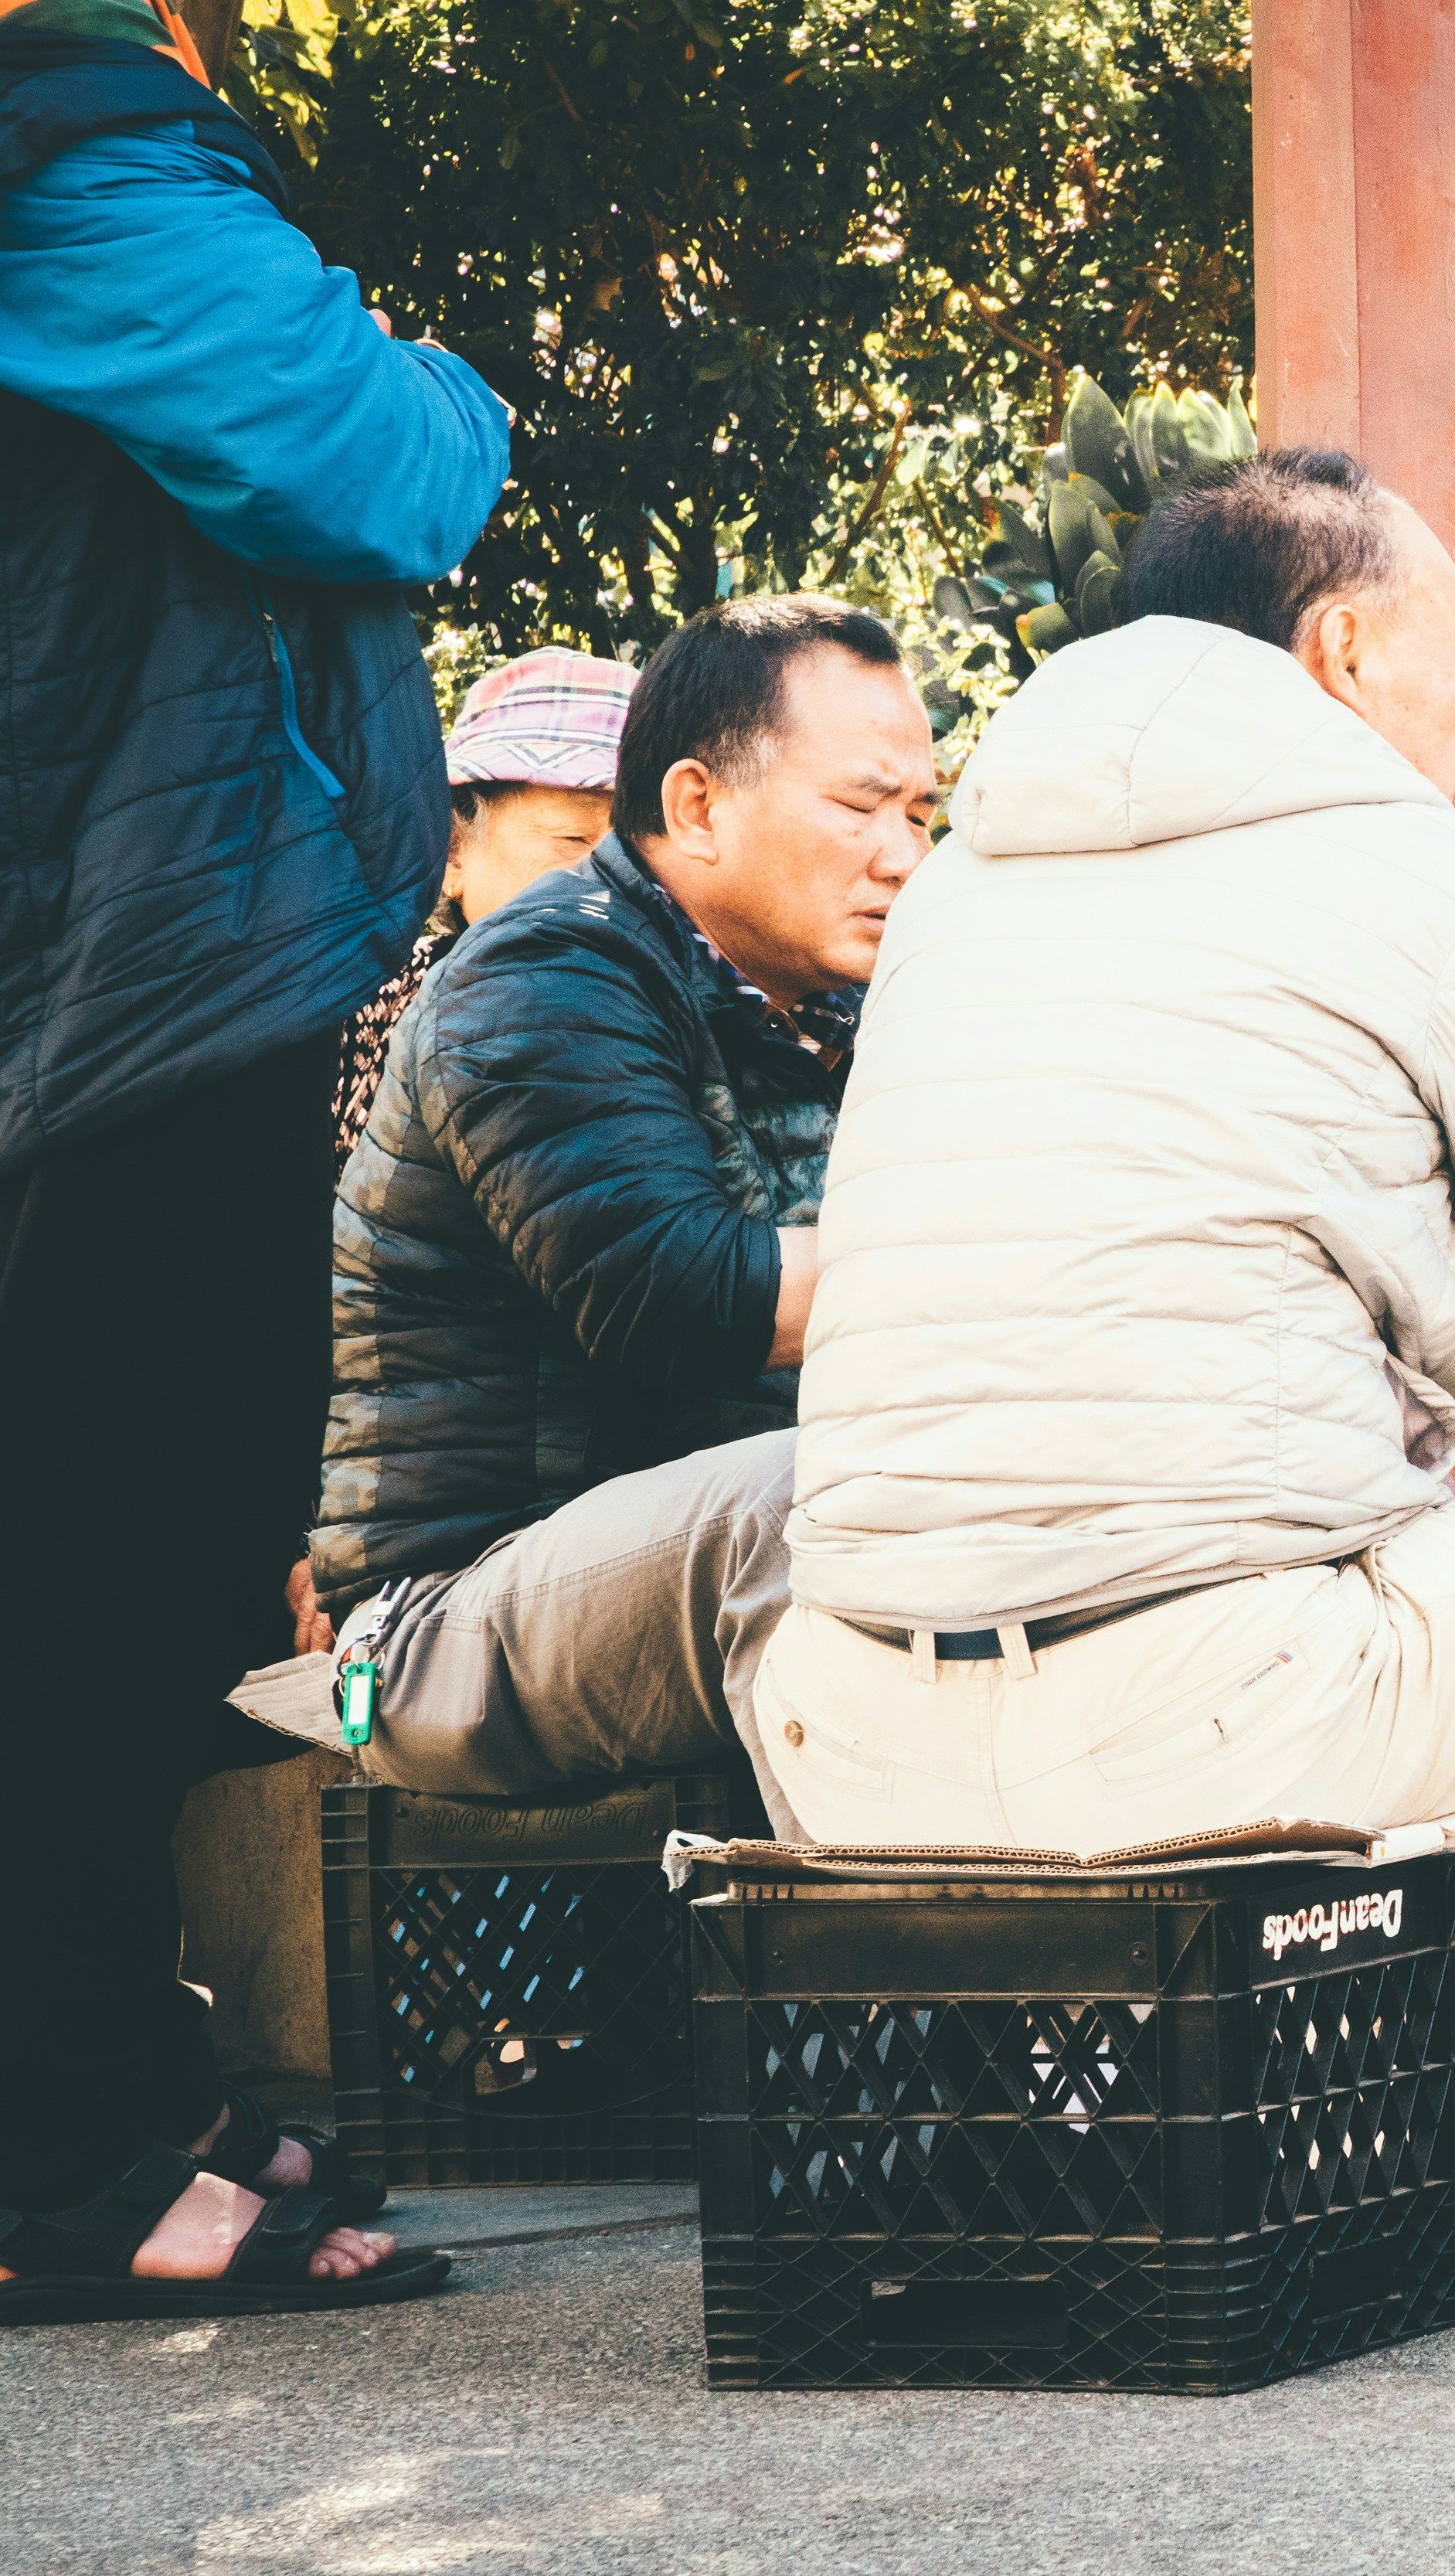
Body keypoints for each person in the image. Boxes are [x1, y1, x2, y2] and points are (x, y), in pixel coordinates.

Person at [768, 448, 1455, 2314]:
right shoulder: (1424, 878)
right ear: (1345, 644)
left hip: (843, 1761)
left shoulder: (965, 889)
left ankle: (1044, 2135)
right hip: (1209, 1731)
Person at [0, 0, 504, 2319]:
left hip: (110, 960)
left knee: (108, 1567)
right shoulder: (78, 149)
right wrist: (436, 374)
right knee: (109, 1580)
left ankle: (114, 2106)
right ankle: (73, 2161)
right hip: (142, 982)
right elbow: (385, 465)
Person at [297, 597, 932, 1810]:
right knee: (818, 1505)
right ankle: (890, 1983)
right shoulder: (546, 973)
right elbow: (683, 1297)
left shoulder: (850, 1011)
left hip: (667, 1584)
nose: (901, 853)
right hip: (438, 1623)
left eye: (919, 813)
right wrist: (1035, 1270)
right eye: (859, 807)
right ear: (696, 805)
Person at [327, 648, 636, 1163]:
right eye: (574, 837)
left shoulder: (675, 1013)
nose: (619, 874)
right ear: (453, 852)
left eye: (639, 844)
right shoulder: (372, 998)